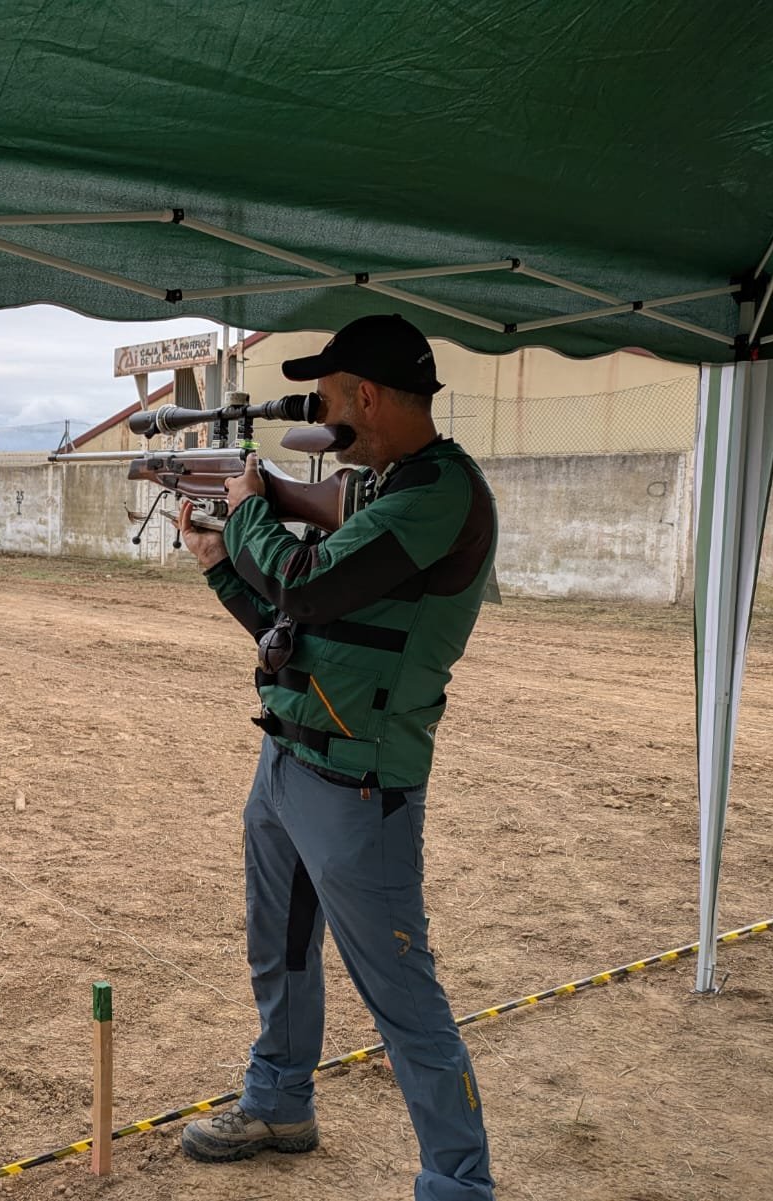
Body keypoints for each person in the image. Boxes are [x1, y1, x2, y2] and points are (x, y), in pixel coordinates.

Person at [176, 314, 498, 1201]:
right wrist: (219, 563)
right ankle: (278, 1100)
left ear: (366, 395)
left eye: (325, 400)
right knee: (279, 948)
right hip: (289, 762)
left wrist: (249, 509)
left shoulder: (439, 494)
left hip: (361, 787)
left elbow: (306, 585)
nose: (318, 417)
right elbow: (292, 627)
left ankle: (459, 1182)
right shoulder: (385, 491)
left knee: (403, 997)